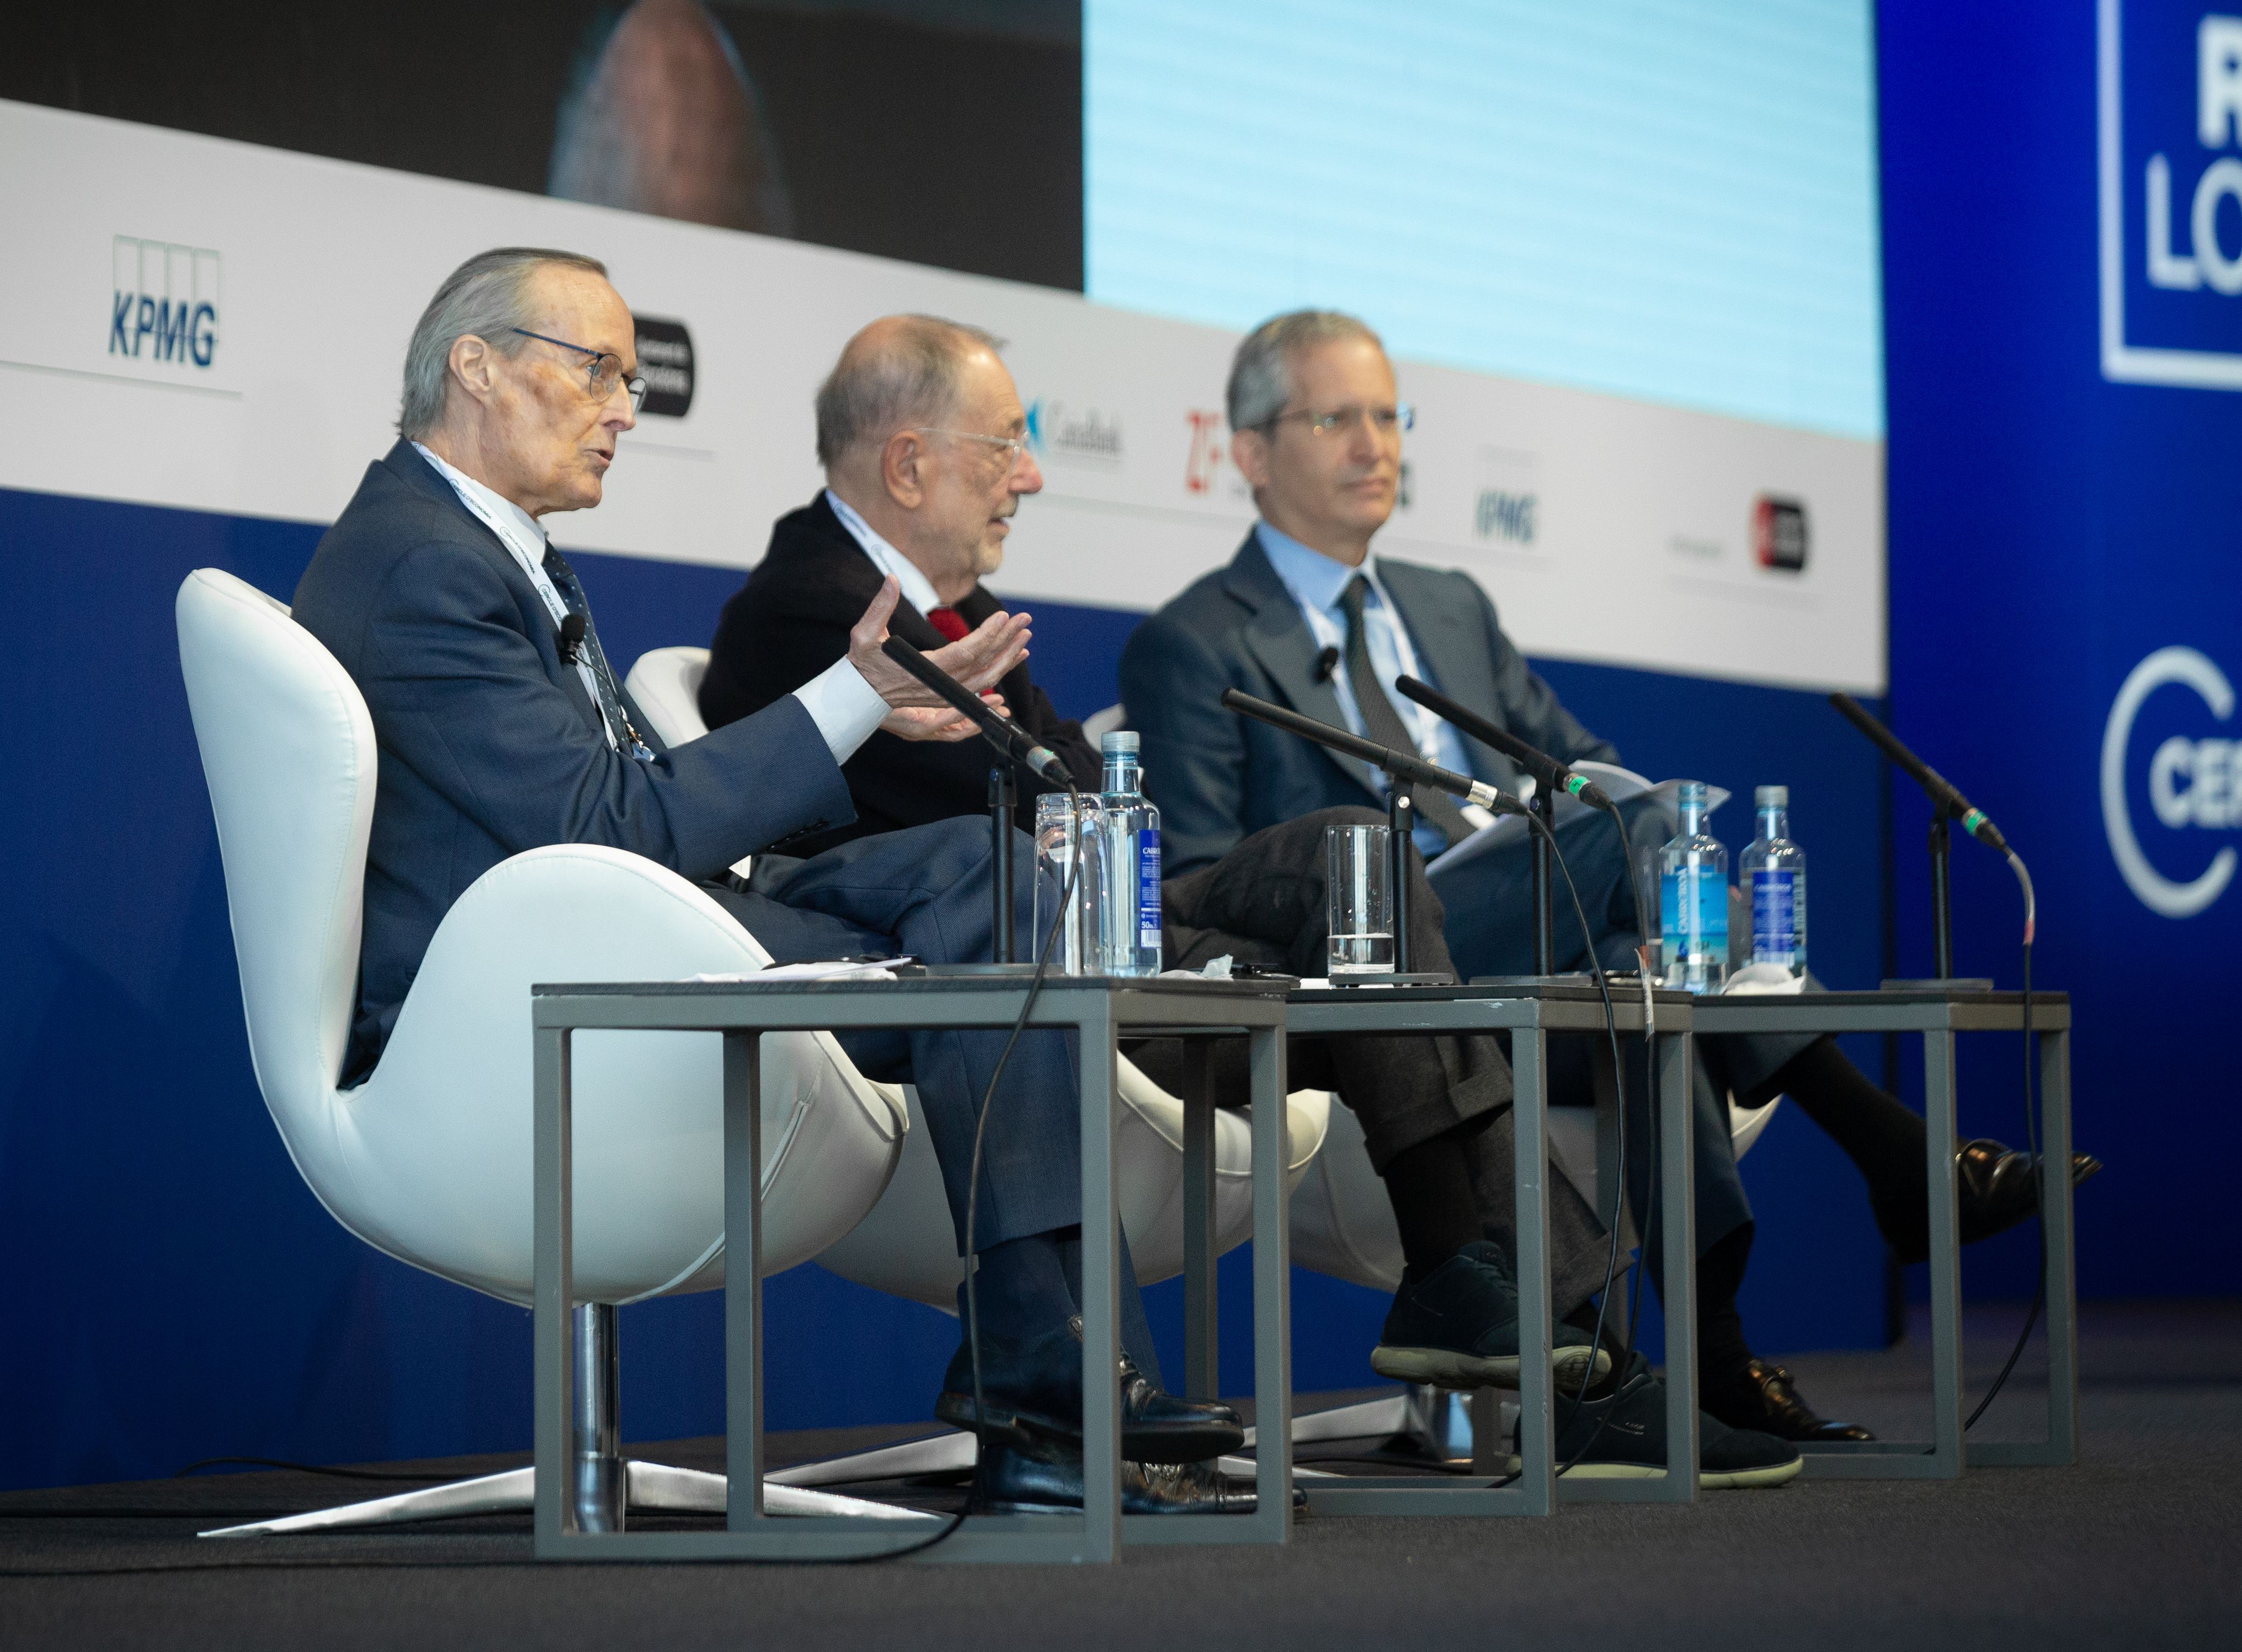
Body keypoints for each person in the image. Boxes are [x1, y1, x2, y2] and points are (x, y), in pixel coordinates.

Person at [700, 315, 1806, 1488]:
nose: (1028, 473)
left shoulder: (952, 606)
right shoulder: (815, 607)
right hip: (997, 984)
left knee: (1354, 860)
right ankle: (1552, 1347)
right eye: (1004, 446)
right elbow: (1015, 813)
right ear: (909, 462)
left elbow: (1072, 788)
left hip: (1105, 927)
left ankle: (1485, 1296)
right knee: (1358, 892)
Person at [291, 248, 1254, 1517]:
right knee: (971, 938)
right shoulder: (422, 565)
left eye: (631, 381)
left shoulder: (469, 545)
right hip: (505, 1011)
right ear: (475, 364)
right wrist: (854, 692)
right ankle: (1051, 1381)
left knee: (989, 871)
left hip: (596, 934)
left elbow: (601, 819)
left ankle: (1058, 1372)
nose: (627, 408)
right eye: (599, 373)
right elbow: (605, 823)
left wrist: (859, 714)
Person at [1119, 310, 2100, 1445]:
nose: (1373, 443)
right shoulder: (1193, 641)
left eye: (1390, 415)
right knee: (1632, 843)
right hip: (1381, 979)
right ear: (1247, 451)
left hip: (1534, 946)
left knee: (1637, 961)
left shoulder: (1448, 608)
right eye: (1335, 416)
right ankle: (1892, 1150)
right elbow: (1195, 888)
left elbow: (1582, 774)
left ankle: (1712, 1357)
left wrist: (1610, 854)